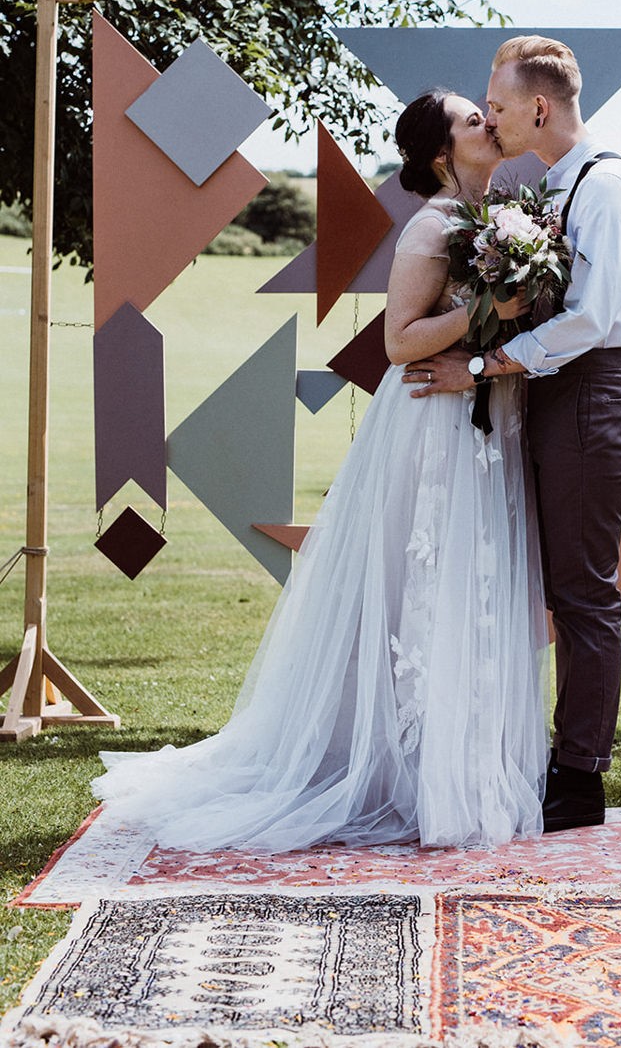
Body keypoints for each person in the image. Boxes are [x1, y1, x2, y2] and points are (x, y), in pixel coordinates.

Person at [93, 90, 548, 852]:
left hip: (486, 414)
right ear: (442, 152)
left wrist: (513, 310)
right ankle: (398, 765)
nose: (488, 123)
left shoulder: (498, 220)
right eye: (473, 119)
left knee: (476, 583)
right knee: (420, 586)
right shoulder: (433, 227)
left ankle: (463, 761)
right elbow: (401, 342)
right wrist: (489, 315)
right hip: (432, 424)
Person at [404, 36, 621, 833]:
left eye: (501, 106)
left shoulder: (607, 187)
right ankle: (527, 758)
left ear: (538, 108)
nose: (495, 118)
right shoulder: (552, 188)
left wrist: (479, 370)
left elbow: (593, 319)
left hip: (589, 395)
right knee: (545, 589)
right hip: (547, 397)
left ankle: (579, 779)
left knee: (582, 595)